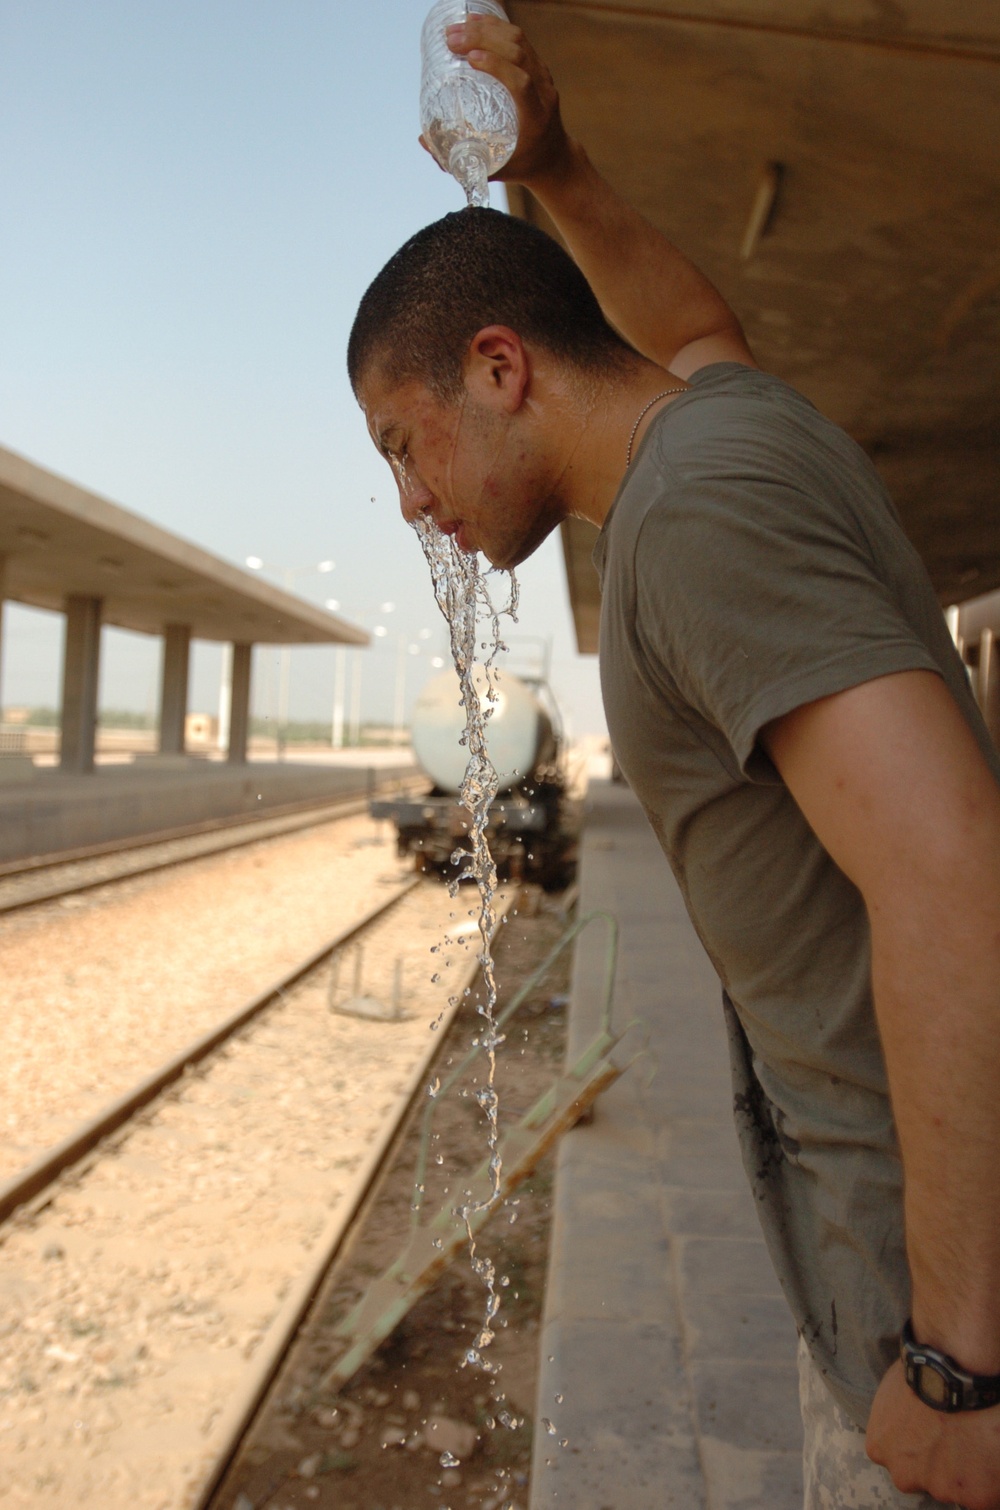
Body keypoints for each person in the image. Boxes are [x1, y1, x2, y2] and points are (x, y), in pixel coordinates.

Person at [347, 17, 1000, 1508]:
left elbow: (955, 871)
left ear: (499, 365)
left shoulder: (694, 523)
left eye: (403, 442)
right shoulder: (727, 424)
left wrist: (963, 1362)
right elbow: (698, 324)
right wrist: (558, 166)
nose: (408, 502)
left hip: (932, 1299)